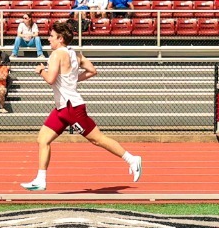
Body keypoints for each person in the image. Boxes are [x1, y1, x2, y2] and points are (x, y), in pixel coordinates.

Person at [20, 23, 142, 191]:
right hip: (62, 108)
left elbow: (50, 79)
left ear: (60, 39)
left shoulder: (56, 55)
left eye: (51, 36)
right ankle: (40, 180)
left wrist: (41, 70)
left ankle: (132, 159)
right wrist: (72, 80)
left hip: (71, 108)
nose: (48, 39)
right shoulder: (75, 54)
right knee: (43, 139)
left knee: (97, 139)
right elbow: (92, 70)